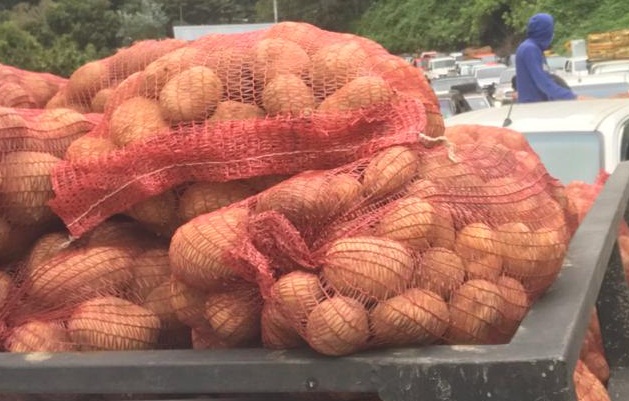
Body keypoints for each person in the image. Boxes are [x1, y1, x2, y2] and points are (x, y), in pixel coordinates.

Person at [515, 13, 580, 103]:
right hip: (533, 107)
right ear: (545, 31)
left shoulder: (536, 49)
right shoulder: (530, 49)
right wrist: (572, 97)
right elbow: (543, 82)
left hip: (540, 105)